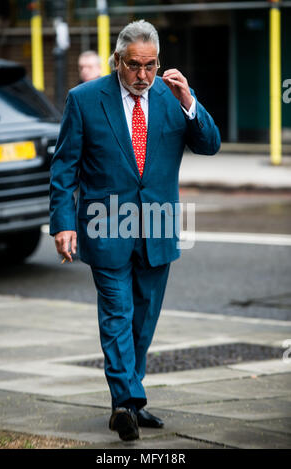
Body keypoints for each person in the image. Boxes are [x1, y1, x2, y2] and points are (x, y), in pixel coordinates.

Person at [50, 20, 221, 442]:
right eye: (133, 66)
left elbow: (210, 144)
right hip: (104, 225)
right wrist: (63, 224)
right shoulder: (85, 100)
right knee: (117, 314)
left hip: (158, 228)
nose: (143, 75)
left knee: (143, 321)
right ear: (117, 60)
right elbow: (64, 167)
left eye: (150, 65)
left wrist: (189, 102)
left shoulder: (171, 97)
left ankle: (127, 400)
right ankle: (127, 401)